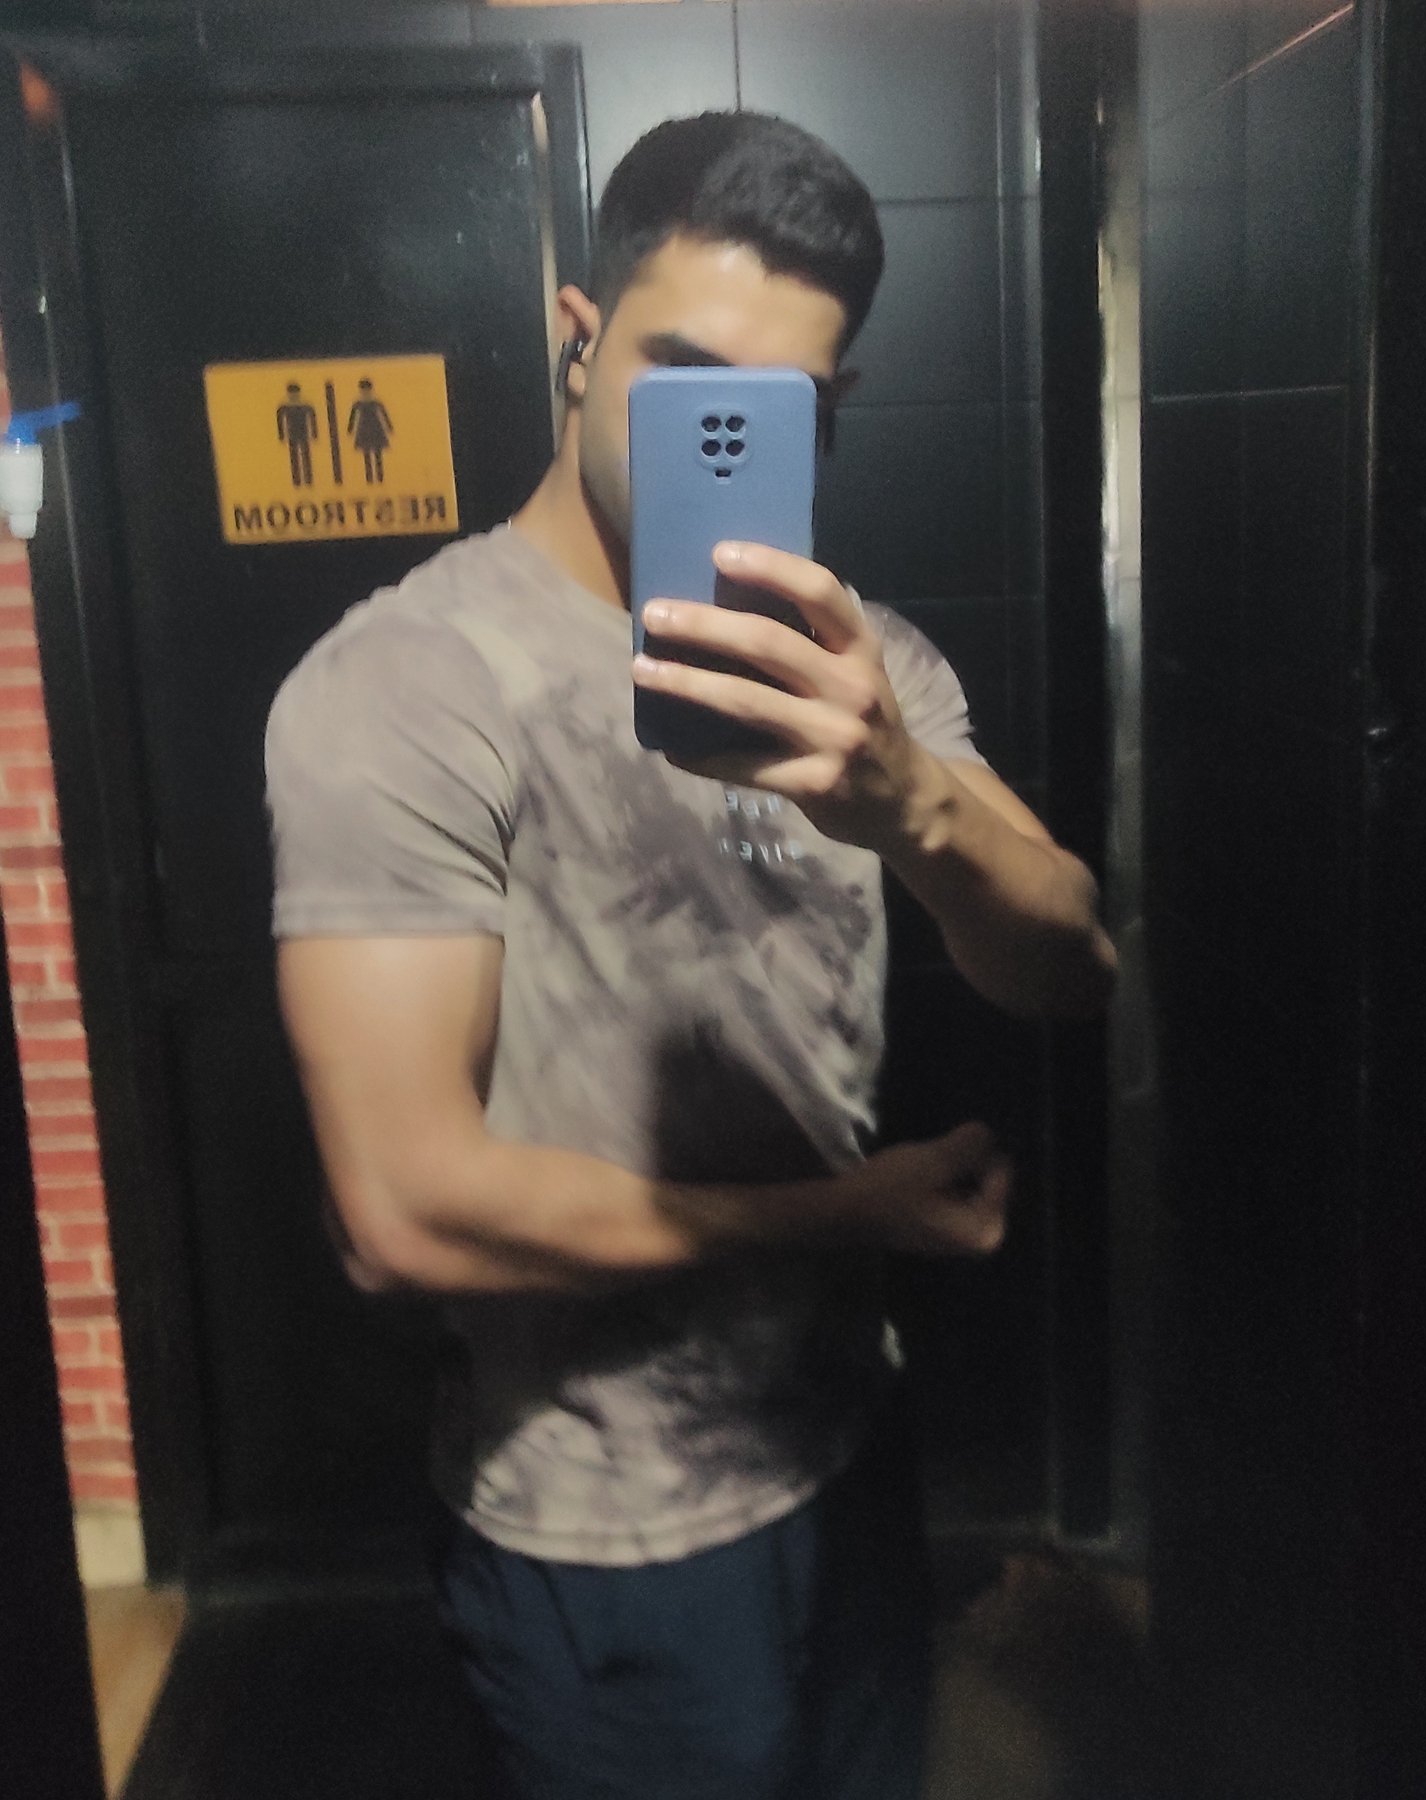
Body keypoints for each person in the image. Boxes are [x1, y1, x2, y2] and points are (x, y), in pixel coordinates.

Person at [265, 112, 1115, 1800]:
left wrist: (909, 804)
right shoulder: (409, 684)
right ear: (579, 338)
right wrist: (853, 1216)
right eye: (681, 372)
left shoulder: (863, 673)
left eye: (779, 403)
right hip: (605, 1531)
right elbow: (402, 1212)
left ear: (830, 410)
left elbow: (1073, 962)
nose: (717, 433)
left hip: (844, 1451)